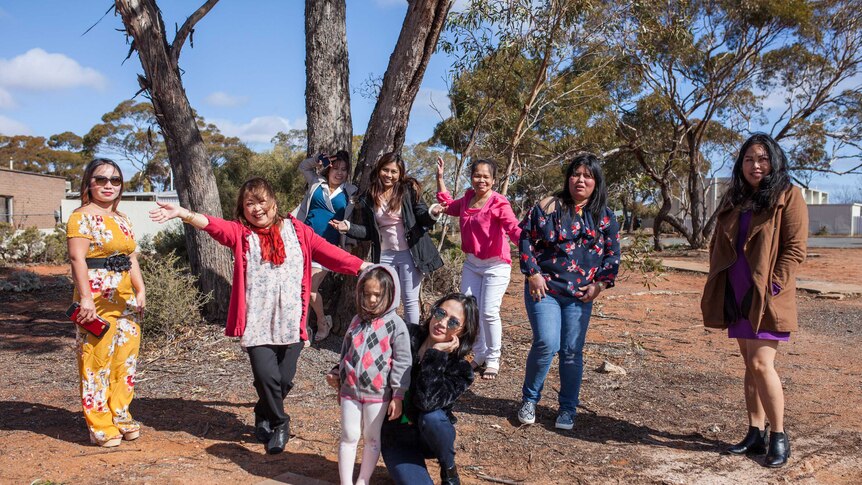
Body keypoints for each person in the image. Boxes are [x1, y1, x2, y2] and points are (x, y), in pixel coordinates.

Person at [150, 177, 368, 454]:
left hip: (291, 322)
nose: (256, 208)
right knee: (266, 376)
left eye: (261, 201)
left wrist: (362, 266)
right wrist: (183, 214)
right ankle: (280, 422)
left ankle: (262, 411)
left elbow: (330, 254)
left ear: (274, 203)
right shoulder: (242, 234)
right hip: (258, 323)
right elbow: (215, 226)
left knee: (284, 380)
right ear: (243, 209)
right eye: (249, 203)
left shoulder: (299, 232)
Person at [700, 133, 807, 468]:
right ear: (741, 164)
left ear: (773, 161)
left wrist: (773, 286)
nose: (755, 165)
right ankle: (754, 433)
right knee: (750, 367)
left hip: (766, 297)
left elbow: (794, 250)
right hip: (737, 294)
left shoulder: (789, 196)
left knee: (762, 364)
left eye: (762, 158)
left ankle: (779, 437)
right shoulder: (736, 197)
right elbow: (719, 239)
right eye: (749, 159)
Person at [517, 153, 621, 430]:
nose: (581, 180)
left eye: (588, 176)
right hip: (545, 289)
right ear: (568, 178)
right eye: (576, 174)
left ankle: (567, 408)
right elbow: (525, 238)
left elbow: (612, 257)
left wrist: (599, 285)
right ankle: (529, 399)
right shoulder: (548, 206)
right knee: (547, 343)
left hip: (580, 295)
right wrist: (533, 274)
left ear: (596, 182)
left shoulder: (606, 217)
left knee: (572, 351)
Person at [67, 158, 146, 448]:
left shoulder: (123, 218)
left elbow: (131, 257)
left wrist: (140, 288)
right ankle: (100, 425)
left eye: (115, 180)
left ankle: (121, 415)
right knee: (96, 359)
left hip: (125, 297)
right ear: (89, 182)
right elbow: (77, 259)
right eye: (101, 179)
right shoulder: (81, 217)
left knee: (125, 359)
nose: (108, 185)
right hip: (97, 298)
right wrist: (85, 297)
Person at [331, 152, 444, 325]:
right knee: (386, 298)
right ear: (379, 170)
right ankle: (386, 337)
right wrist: (348, 228)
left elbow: (422, 215)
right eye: (385, 170)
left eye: (394, 172)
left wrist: (432, 212)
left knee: (410, 300)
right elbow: (370, 232)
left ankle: (410, 342)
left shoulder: (408, 191)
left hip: (410, 253)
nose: (389, 175)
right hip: (384, 254)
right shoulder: (370, 195)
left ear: (400, 174)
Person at [377, 292, 479, 485]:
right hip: (395, 436)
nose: (442, 323)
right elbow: (370, 347)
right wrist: (339, 369)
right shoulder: (405, 333)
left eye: (453, 322)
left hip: (429, 438)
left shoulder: (461, 370)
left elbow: (427, 402)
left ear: (463, 331)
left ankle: (448, 469)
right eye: (440, 313)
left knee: (432, 417)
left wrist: (436, 354)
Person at [435, 157, 521, 380]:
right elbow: (448, 206)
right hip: (472, 264)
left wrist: (532, 246)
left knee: (489, 311)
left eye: (486, 176)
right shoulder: (466, 199)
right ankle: (479, 353)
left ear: (493, 180)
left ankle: (493, 358)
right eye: (477, 175)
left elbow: (513, 229)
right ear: (471, 177)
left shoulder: (499, 202)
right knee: (470, 311)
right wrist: (440, 178)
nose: (481, 180)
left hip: (496, 265)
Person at [326, 265, 412, 485]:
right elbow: (346, 352)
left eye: (378, 295)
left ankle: (363, 480)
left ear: (390, 295)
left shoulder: (396, 325)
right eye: (367, 294)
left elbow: (403, 362)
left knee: (372, 438)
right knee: (348, 436)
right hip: (349, 390)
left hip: (378, 393)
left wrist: (398, 395)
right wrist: (337, 372)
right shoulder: (356, 320)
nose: (372, 300)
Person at [296, 150, 358, 341]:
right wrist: (317, 161)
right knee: (300, 287)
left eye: (344, 169)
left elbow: (351, 219)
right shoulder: (316, 182)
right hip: (304, 242)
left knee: (310, 288)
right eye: (335, 168)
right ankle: (303, 328)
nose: (339, 173)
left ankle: (322, 321)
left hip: (328, 246)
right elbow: (303, 166)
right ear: (328, 169)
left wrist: (348, 243)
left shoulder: (351, 191)